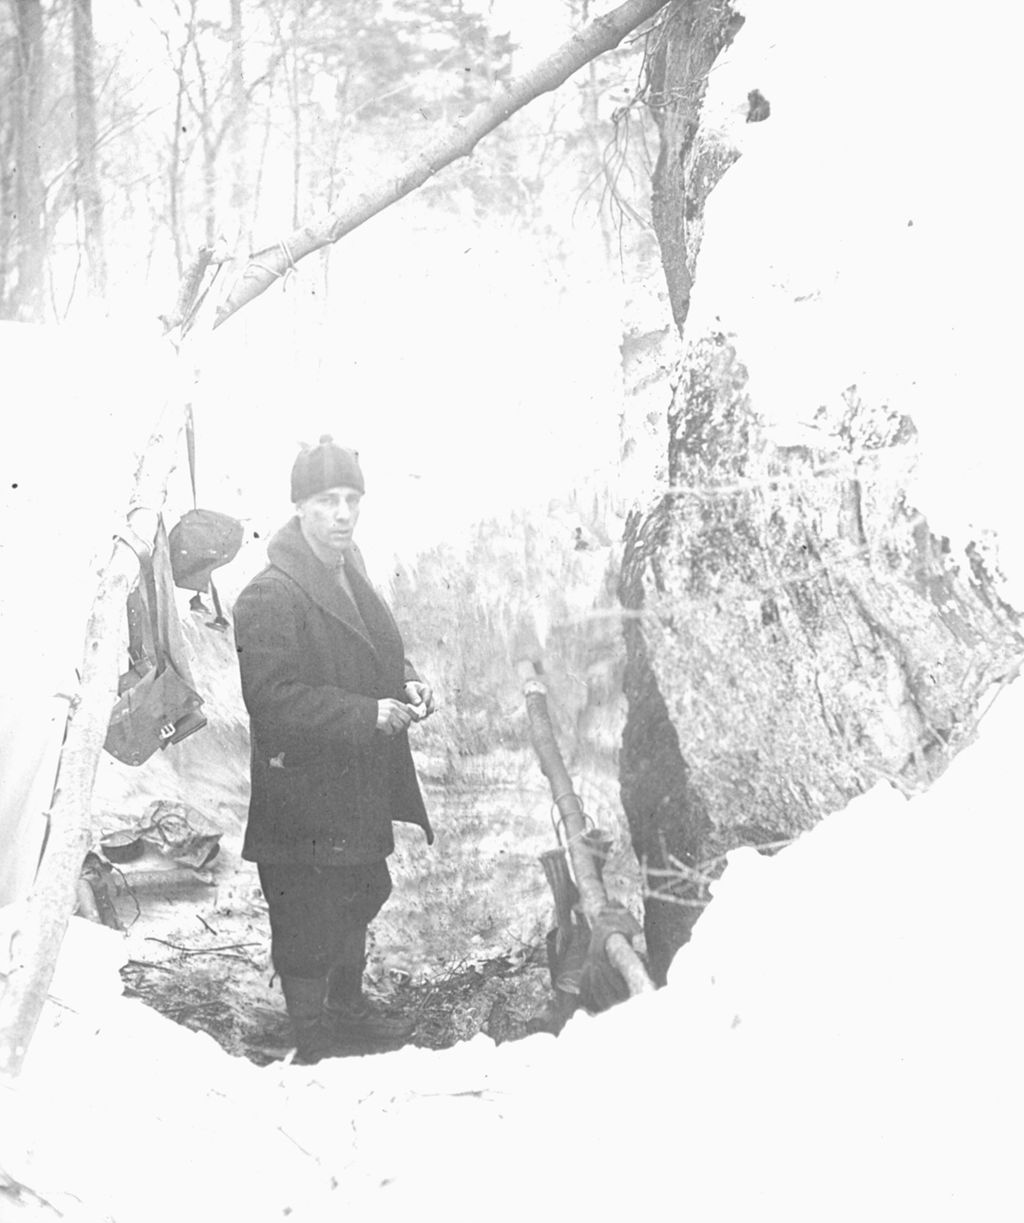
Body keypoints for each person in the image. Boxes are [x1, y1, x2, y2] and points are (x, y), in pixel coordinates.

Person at [233, 435, 435, 1061]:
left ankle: (346, 1008)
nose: (343, 513)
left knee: (362, 888)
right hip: (303, 788)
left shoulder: (352, 571)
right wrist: (363, 713)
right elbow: (272, 700)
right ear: (299, 508)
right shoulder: (269, 595)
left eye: (352, 499)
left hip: (355, 780)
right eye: (327, 501)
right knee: (306, 915)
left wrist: (406, 683)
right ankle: (313, 1035)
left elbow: (371, 650)